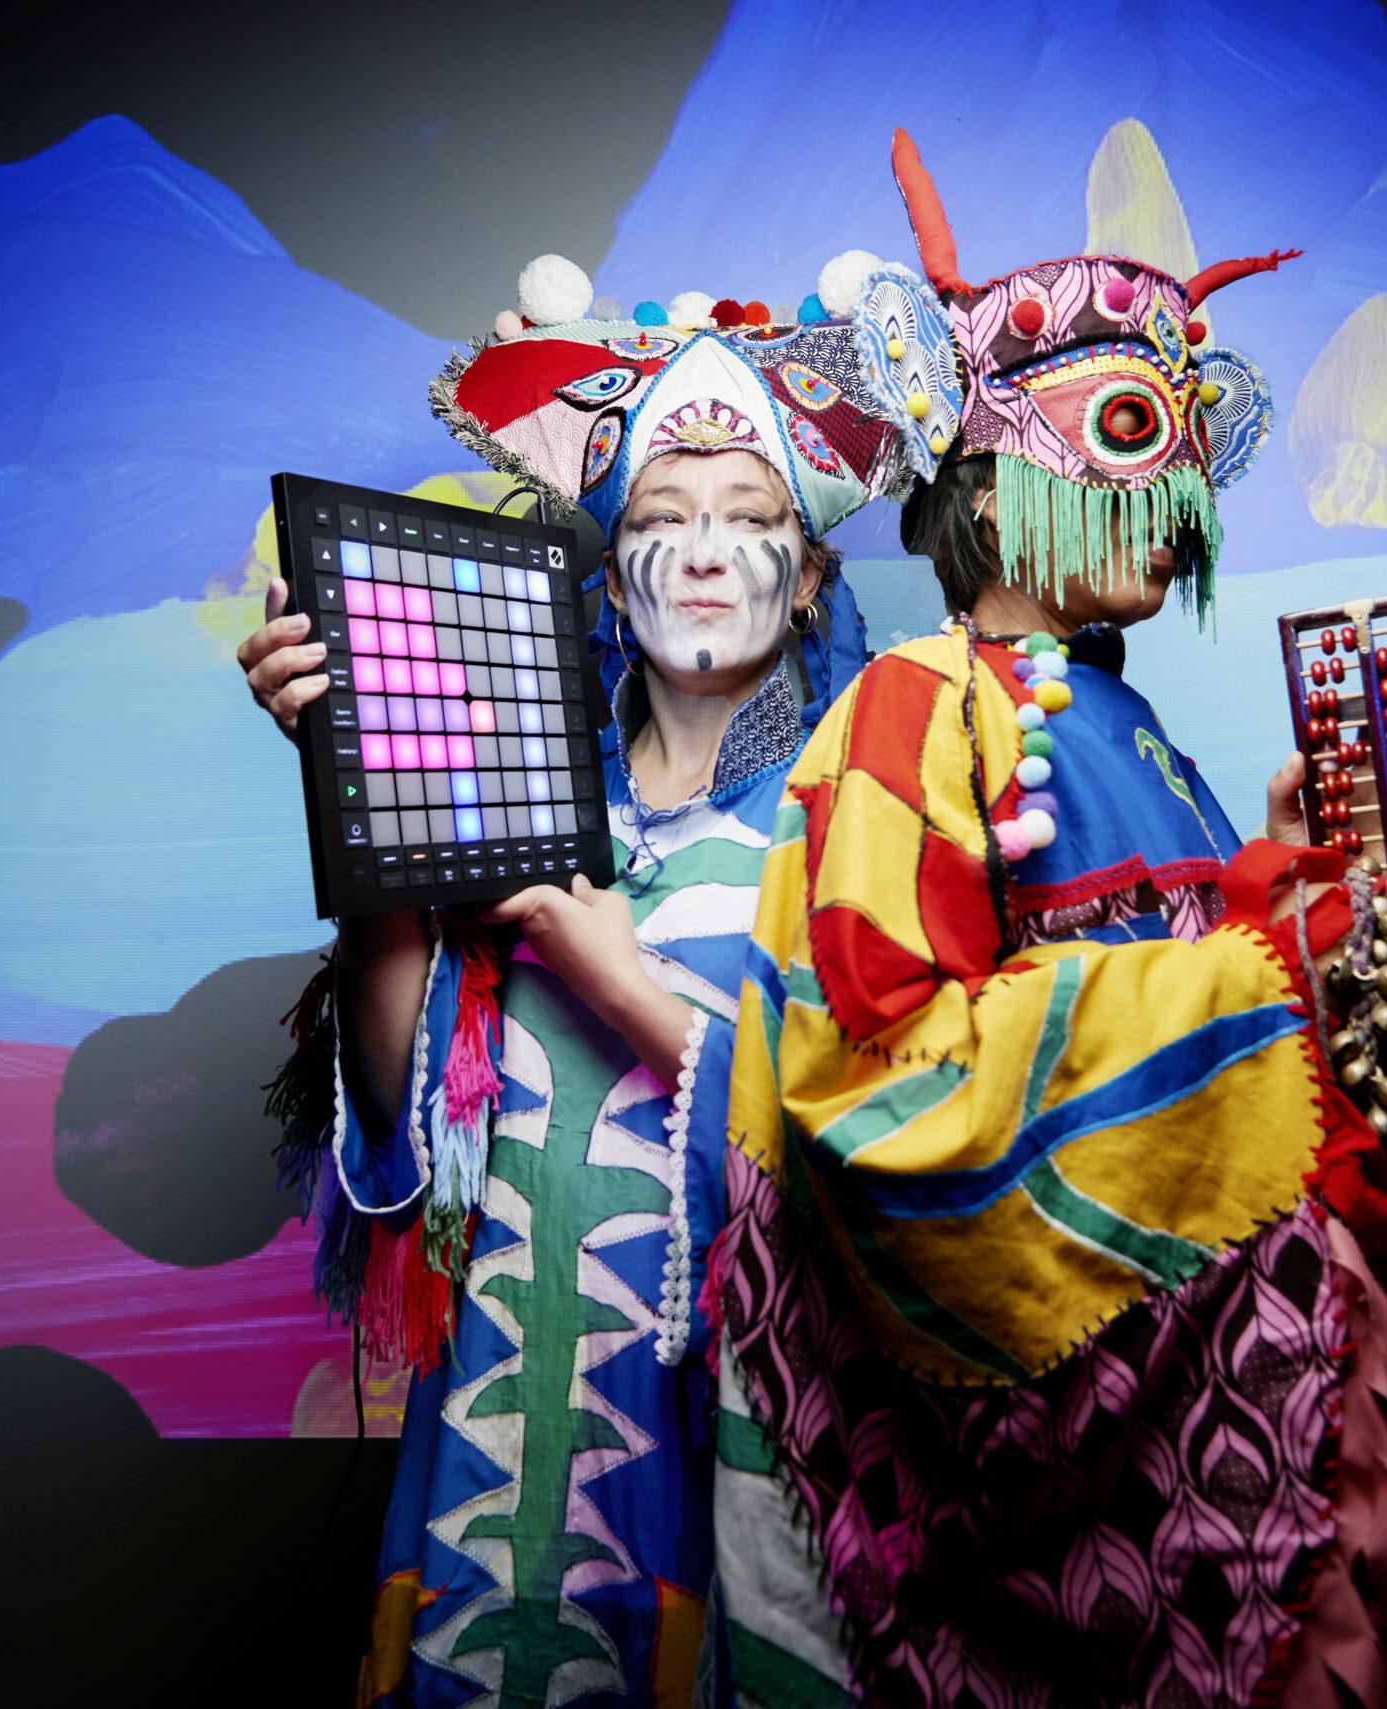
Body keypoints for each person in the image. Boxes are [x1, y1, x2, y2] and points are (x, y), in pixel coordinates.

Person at [707, 135, 1387, 1707]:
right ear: (995, 484)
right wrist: (1257, 971)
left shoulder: (1134, 728)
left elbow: (1225, 995)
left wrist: (1280, 880)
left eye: (1190, 477)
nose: (1179, 516)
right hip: (1113, 1422)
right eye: (1133, 455)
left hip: (1284, 1368)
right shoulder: (913, 708)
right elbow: (888, 1076)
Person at [238, 254, 954, 1707]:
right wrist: (355, 788)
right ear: (610, 568)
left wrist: (617, 978)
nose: (703, 553)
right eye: (660, 518)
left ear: (814, 572)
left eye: (750, 519)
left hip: (725, 1442)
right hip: (488, 1441)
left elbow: (885, 1171)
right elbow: (408, 1136)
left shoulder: (859, 819)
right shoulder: (515, 800)